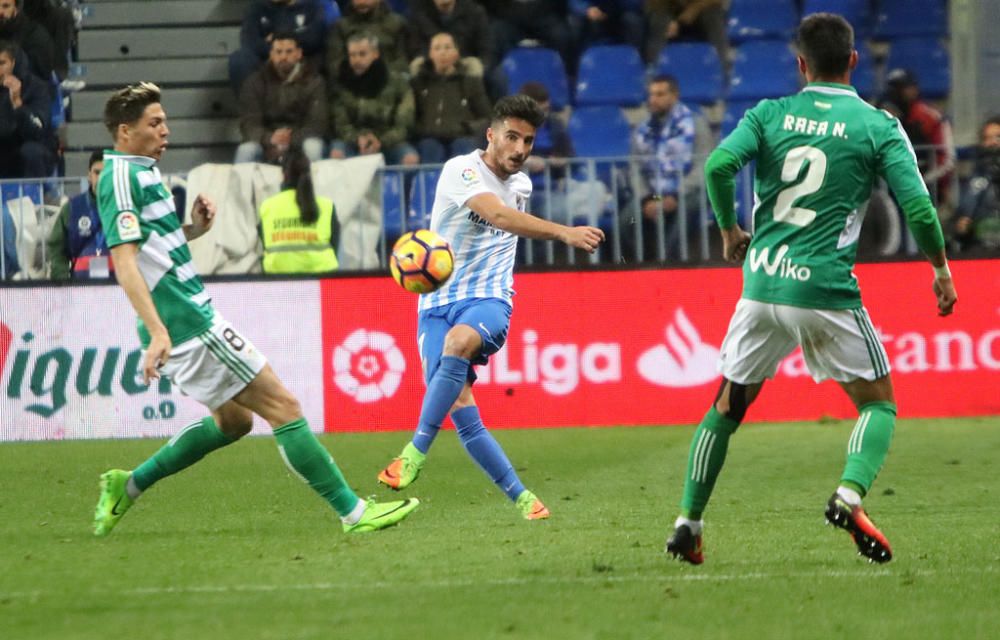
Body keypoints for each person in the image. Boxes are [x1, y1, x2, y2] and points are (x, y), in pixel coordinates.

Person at [664, 13, 958, 566]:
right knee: (879, 404)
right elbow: (918, 205)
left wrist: (729, 229)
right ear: (852, 60)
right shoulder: (878, 125)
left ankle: (688, 522)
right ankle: (849, 495)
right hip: (822, 288)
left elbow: (720, 165)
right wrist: (940, 268)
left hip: (761, 284)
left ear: (801, 65)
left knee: (727, 404)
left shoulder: (770, 113)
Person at [91, 81, 418, 538]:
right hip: (188, 323)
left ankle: (128, 485)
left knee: (234, 421)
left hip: (183, 319)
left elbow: (152, 248)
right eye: (155, 122)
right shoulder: (120, 177)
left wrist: (195, 229)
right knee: (283, 405)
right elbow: (123, 261)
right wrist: (159, 331)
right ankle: (354, 512)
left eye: (165, 119)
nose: (167, 129)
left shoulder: (142, 171)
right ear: (125, 131)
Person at [375, 94, 605, 519]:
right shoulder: (460, 170)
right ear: (491, 135)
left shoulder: (522, 184)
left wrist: (558, 234)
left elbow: (504, 219)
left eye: (528, 141)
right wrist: (563, 233)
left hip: (489, 300)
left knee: (459, 343)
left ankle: (414, 451)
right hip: (435, 305)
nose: (520, 149)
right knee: (461, 409)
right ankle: (524, 499)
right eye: (512, 137)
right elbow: (497, 216)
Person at [626, 74, 695, 262]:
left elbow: (705, 166)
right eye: (651, 94)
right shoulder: (642, 130)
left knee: (683, 216)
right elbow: (635, 167)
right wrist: (647, 197)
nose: (653, 100)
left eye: (660, 94)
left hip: (687, 192)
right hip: (654, 194)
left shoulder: (695, 125)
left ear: (674, 95)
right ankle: (646, 266)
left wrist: (677, 193)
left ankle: (671, 266)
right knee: (627, 220)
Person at [235, 32, 327, 164]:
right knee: (246, 150)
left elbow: (317, 125)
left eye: (289, 51)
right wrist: (270, 138)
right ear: (271, 54)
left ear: (299, 53)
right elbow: (248, 124)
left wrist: (289, 140)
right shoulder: (254, 82)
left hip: (300, 142)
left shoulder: (315, 81)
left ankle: (312, 185)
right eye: (278, 52)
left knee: (313, 146)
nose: (283, 57)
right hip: (266, 144)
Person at [328, 32, 419, 166]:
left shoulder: (397, 82)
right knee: (336, 154)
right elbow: (340, 123)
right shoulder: (341, 84)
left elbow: (404, 123)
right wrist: (358, 139)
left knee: (410, 159)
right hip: (352, 142)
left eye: (362, 54)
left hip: (389, 141)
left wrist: (381, 141)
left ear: (375, 54)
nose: (357, 59)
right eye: (352, 55)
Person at [410, 31, 492, 164]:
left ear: (456, 53)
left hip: (461, 136)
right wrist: (423, 130)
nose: (443, 52)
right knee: (430, 150)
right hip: (429, 137)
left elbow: (487, 117)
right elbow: (412, 115)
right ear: (430, 54)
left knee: (463, 153)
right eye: (437, 48)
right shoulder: (419, 83)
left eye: (448, 47)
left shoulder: (470, 81)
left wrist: (467, 128)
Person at [878, 68, 956, 208]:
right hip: (891, 190)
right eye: (894, 89)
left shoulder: (930, 116)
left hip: (928, 190)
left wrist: (921, 181)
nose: (899, 93)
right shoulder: (881, 116)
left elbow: (947, 160)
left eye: (903, 88)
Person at [259, 146, 340, 273]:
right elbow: (334, 246)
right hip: (323, 282)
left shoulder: (267, 206)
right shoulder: (327, 206)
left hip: (278, 282)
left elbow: (264, 244)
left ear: (283, 174)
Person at [228, 0, 327, 94]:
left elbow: (314, 39)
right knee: (240, 60)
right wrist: (277, 52)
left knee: (323, 57)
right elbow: (249, 42)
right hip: (266, 62)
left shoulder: (312, 7)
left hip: (302, 61)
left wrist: (277, 37)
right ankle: (251, 108)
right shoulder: (256, 8)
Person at [46, 150, 112, 280]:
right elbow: (56, 248)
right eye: (97, 172)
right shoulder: (72, 208)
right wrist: (63, 279)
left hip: (121, 289)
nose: (100, 178)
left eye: (106, 173)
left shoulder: (125, 209)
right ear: (89, 175)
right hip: (80, 289)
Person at [0, 39, 55, 179]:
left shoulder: (36, 87)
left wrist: (17, 104)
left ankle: (34, 198)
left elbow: (37, 132)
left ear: (13, 63)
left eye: (1, 63)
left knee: (31, 151)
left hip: (27, 151)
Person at [406, 0, 495, 75]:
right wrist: (437, 60)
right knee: (416, 66)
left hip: (464, 64)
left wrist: (478, 65)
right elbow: (416, 48)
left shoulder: (475, 12)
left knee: (488, 72)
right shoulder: (419, 13)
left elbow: (486, 49)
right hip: (431, 65)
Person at [951, 115, 1000, 253]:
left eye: (998, 137)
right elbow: (959, 223)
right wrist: (961, 225)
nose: (992, 143)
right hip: (980, 249)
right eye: (987, 138)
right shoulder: (976, 177)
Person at [644, 0, 730, 76]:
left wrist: (690, 12)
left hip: (701, 10)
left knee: (713, 15)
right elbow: (653, 3)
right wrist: (669, 21)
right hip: (668, 12)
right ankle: (653, 72)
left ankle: (724, 71)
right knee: (659, 21)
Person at [326, 0, 408, 80]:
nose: (361, 2)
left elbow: (403, 62)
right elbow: (335, 65)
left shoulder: (397, 24)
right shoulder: (340, 27)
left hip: (391, 85)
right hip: (352, 86)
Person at [0, 0, 55, 81]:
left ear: (17, 8)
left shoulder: (35, 35)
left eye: (6, 6)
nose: (0, 11)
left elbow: (40, 76)